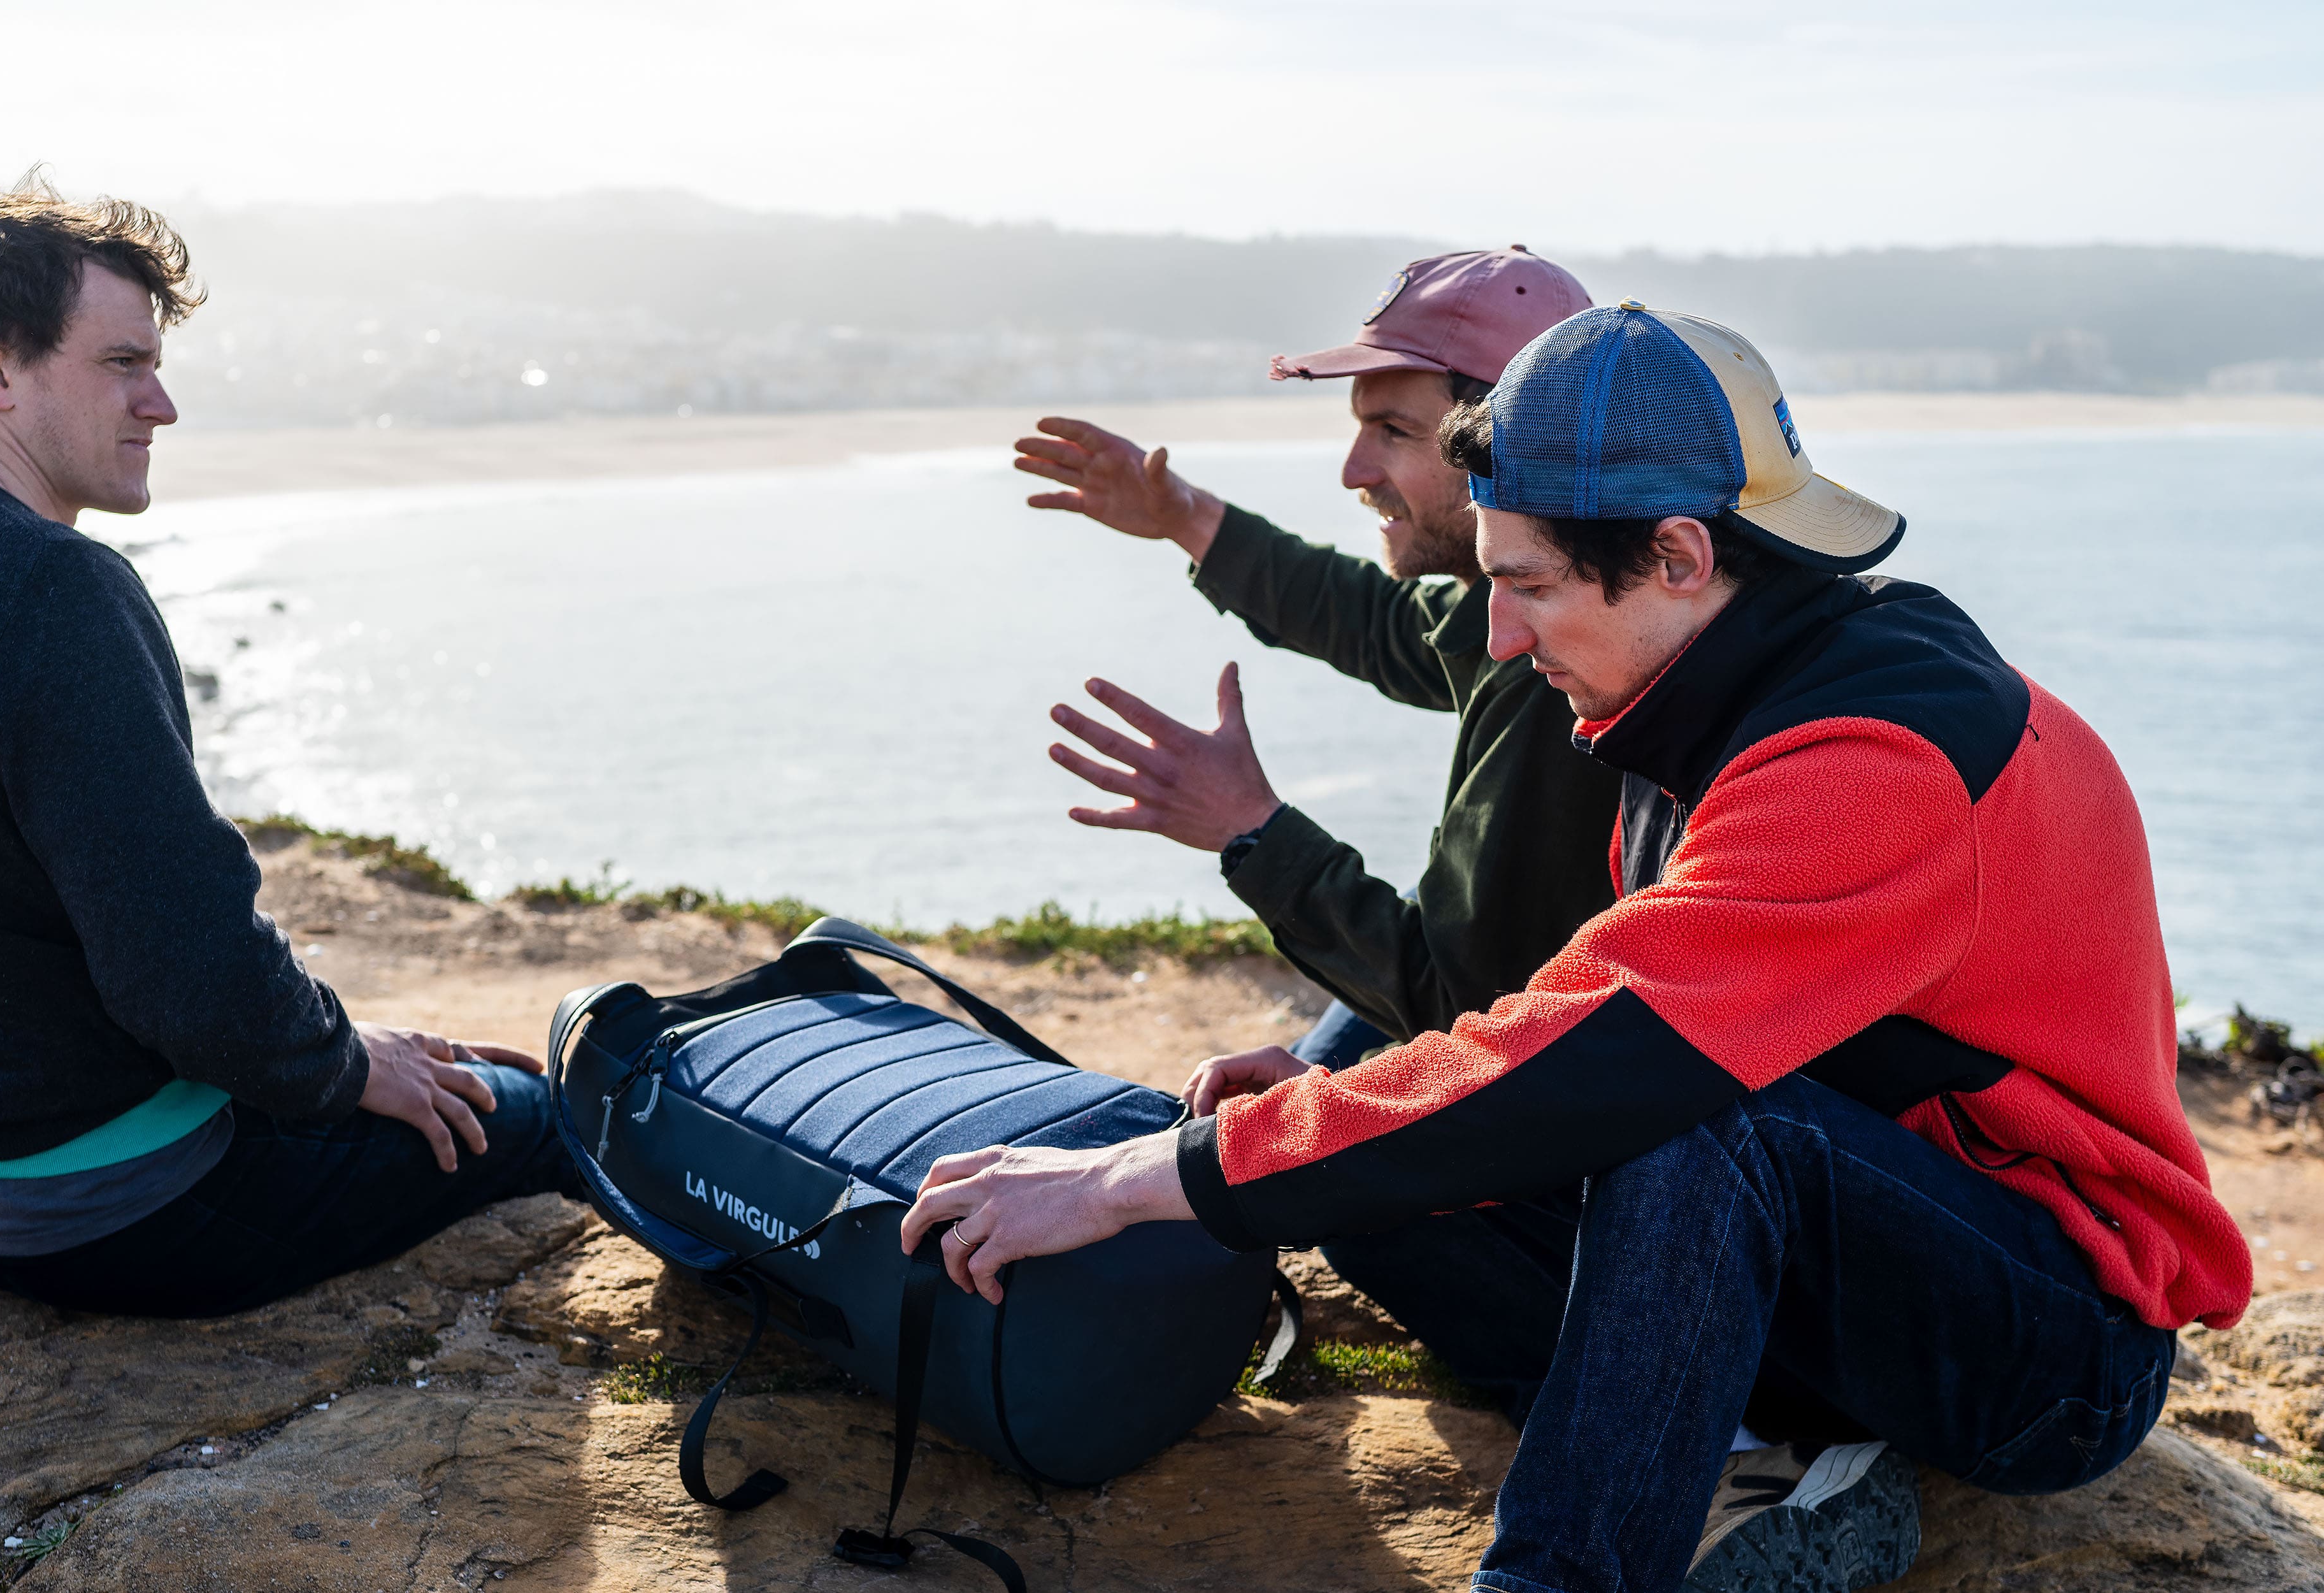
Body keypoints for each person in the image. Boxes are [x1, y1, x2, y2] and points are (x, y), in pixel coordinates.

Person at [909, 303, 2251, 1593]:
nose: (1498, 635)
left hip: (2051, 1350)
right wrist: (1308, 1113)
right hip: (1844, 1270)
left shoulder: (1868, 766)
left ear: (1677, 555)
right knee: (1359, 1146)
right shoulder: (1700, 685)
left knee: (1688, 1115)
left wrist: (1134, 1180)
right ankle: (1752, 1449)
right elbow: (1549, 1030)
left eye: (1528, 586)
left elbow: (1612, 1057)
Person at [0, 181, 578, 1319]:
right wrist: (349, 1067)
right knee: (537, 1116)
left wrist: (341, 1048)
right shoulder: (52, 586)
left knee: (445, 1074)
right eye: (122, 364)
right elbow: (189, 975)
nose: (161, 403)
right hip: (110, 1205)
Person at [1012, 247, 1619, 1074]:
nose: (1352, 472)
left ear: (1504, 444)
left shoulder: (1557, 665)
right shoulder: (1550, 595)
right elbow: (1375, 622)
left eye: (1393, 431)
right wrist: (1184, 514)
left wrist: (1249, 829)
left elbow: (1463, 1004)